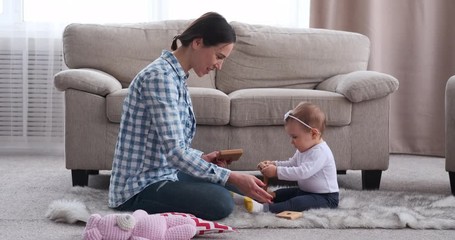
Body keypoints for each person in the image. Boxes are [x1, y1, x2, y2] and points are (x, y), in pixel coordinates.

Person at [108, 12, 272, 221]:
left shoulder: (176, 77)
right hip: (139, 188)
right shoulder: (160, 78)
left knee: (233, 185)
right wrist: (230, 176)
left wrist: (202, 159)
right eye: (219, 56)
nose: (219, 66)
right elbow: (176, 152)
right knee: (221, 201)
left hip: (164, 172)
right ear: (197, 42)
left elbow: (172, 147)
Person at [232, 102, 339, 213]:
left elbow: (302, 172)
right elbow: (292, 163)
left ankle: (264, 208)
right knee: (282, 193)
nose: (291, 142)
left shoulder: (321, 152)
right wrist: (274, 164)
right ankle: (256, 199)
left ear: (313, 134)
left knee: (297, 203)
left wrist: (276, 172)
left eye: (295, 137)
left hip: (326, 198)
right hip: (306, 191)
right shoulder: (304, 149)